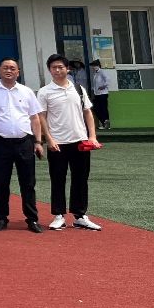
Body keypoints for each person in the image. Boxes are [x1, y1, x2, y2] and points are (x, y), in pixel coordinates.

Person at [38, 54, 101, 231]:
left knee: (81, 179)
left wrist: (92, 136)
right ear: (49, 70)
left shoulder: (78, 89)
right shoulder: (44, 92)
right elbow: (41, 117)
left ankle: (80, 215)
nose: (57, 70)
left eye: (60, 67)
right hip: (57, 143)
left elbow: (88, 112)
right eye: (53, 67)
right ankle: (59, 215)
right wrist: (48, 139)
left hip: (80, 141)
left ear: (67, 69)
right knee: (58, 179)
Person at [0, 57, 44, 233]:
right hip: (1, 142)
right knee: (1, 182)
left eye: (12, 68)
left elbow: (34, 117)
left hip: (25, 141)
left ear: (18, 72)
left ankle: (32, 219)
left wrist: (38, 141)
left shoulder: (26, 91)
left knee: (28, 182)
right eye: (5, 68)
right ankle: (1, 218)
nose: (9, 71)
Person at [90, 60, 112, 129]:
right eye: (93, 66)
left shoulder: (102, 72)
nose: (93, 67)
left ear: (98, 66)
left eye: (94, 65)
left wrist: (104, 86)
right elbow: (95, 84)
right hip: (97, 94)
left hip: (103, 94)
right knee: (96, 108)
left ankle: (106, 124)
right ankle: (103, 123)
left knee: (103, 108)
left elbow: (108, 79)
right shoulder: (95, 74)